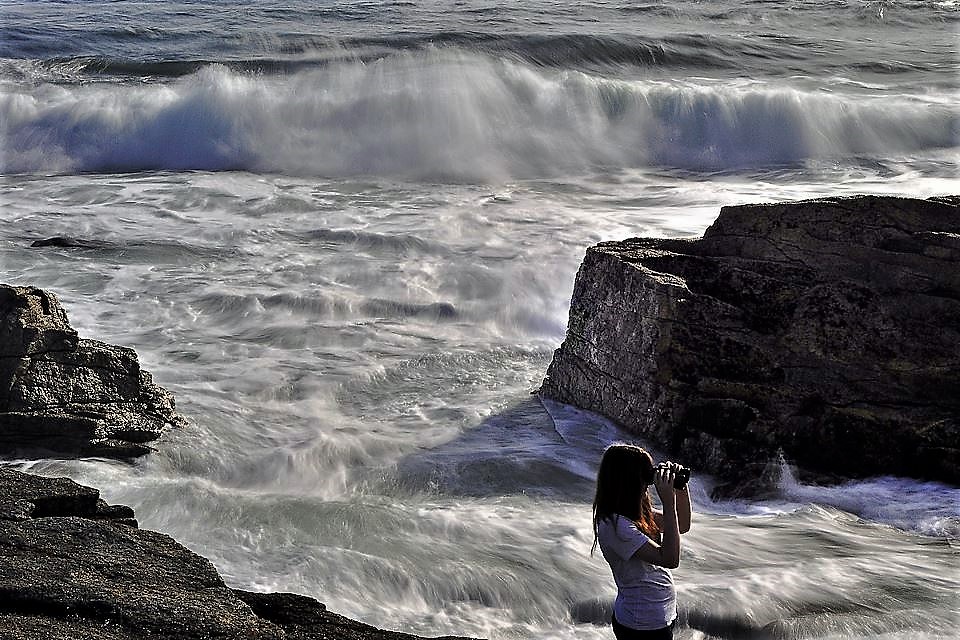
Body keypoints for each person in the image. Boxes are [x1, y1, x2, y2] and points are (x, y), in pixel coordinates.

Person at [592, 443, 692, 639]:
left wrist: (680, 487)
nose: (648, 484)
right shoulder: (616, 526)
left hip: (657, 616)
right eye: (644, 476)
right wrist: (668, 501)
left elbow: (682, 525)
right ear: (627, 480)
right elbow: (671, 559)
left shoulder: (634, 513)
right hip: (642, 624)